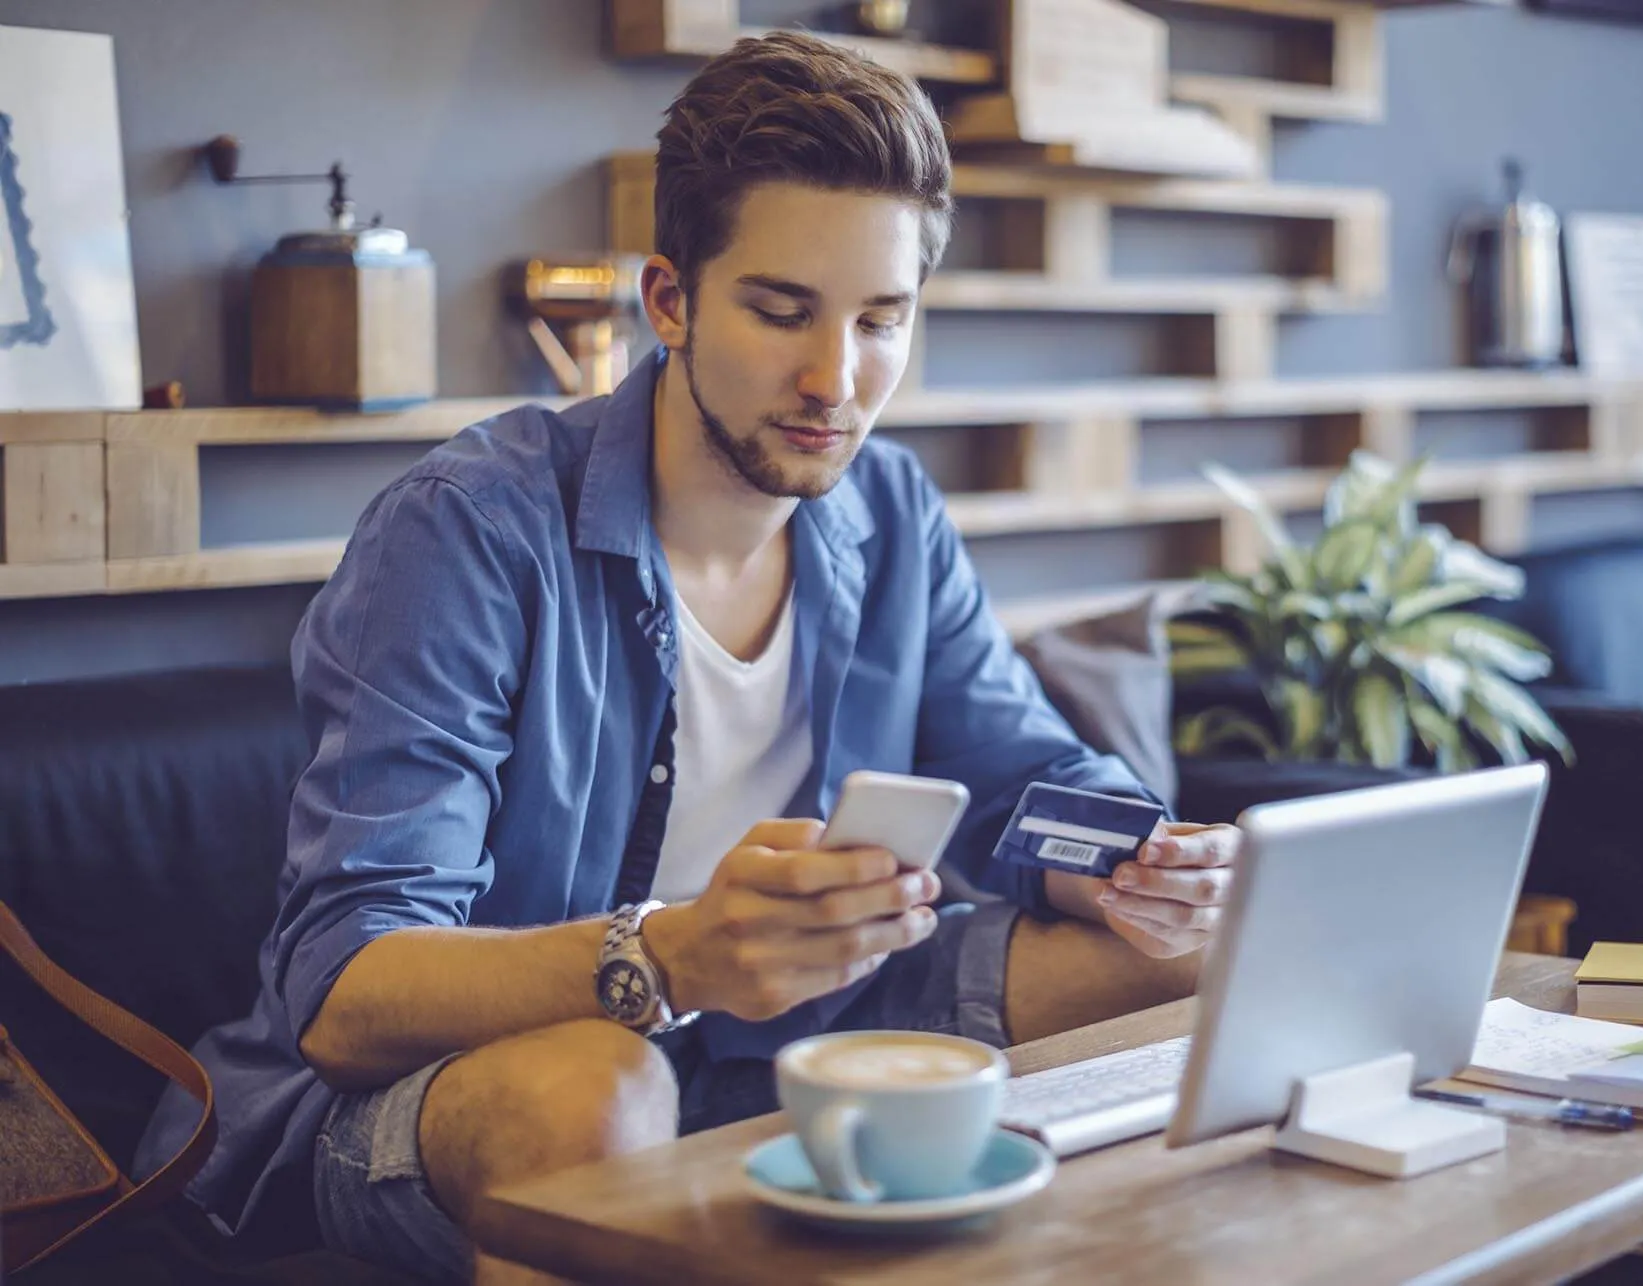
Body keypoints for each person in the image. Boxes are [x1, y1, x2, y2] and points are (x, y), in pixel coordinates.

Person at [136, 30, 1241, 1285]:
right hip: (453, 1085)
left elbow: (1012, 772)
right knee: (598, 1087)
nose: (836, 378)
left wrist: (1129, 861)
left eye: (881, 320)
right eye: (781, 311)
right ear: (669, 300)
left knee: (1193, 947)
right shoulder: (468, 531)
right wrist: (665, 956)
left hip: (789, 1034)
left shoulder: (890, 515)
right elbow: (344, 993)